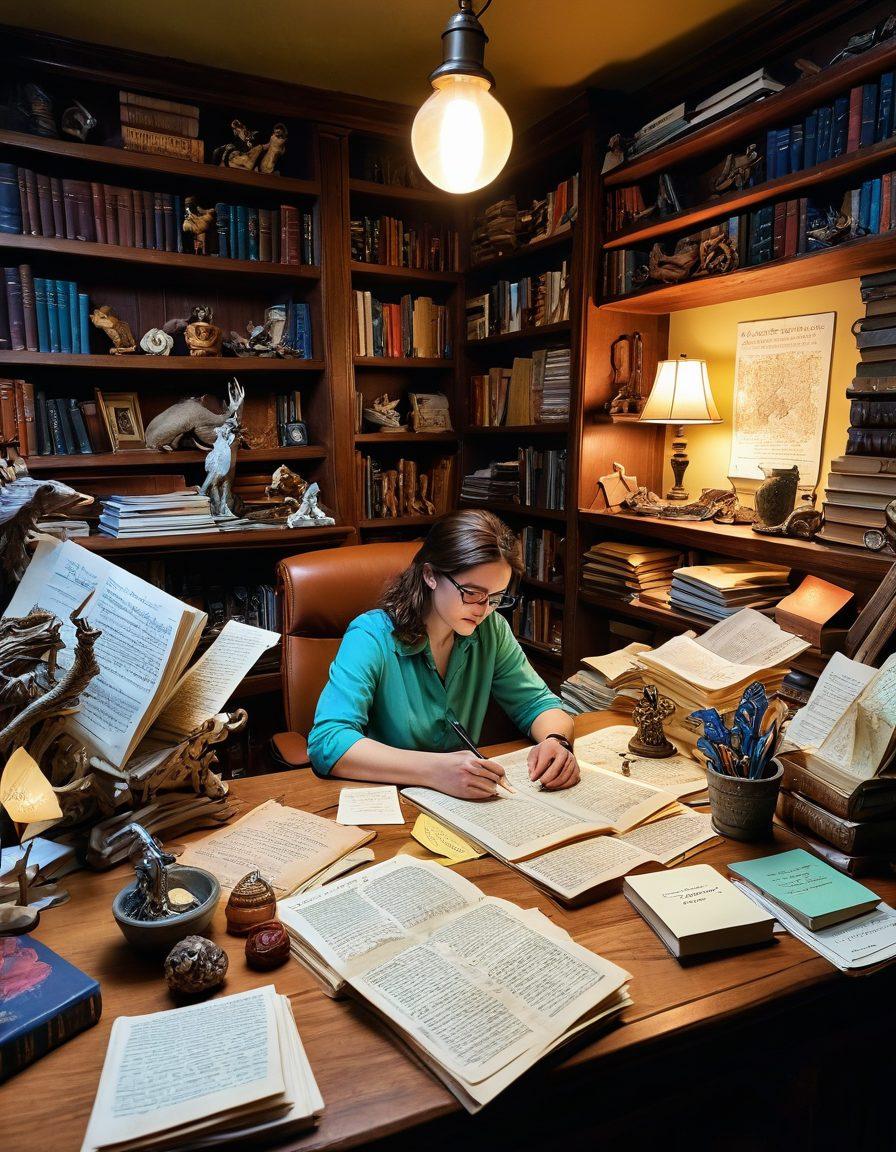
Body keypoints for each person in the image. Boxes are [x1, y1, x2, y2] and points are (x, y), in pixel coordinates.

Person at [308, 508, 579, 800]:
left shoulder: (491, 630)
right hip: (384, 798)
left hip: (463, 801)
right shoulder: (371, 636)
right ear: (431, 575)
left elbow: (537, 704)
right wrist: (434, 770)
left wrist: (556, 740)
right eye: (472, 592)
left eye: (497, 597)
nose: (483, 609)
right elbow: (329, 741)